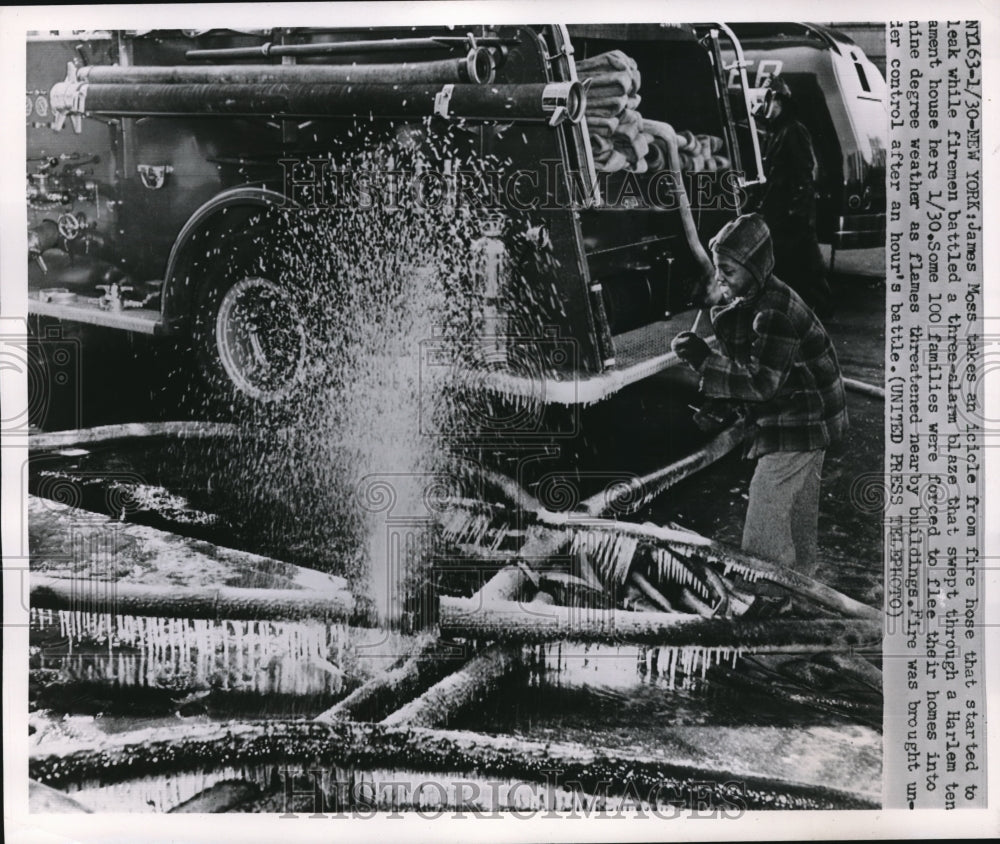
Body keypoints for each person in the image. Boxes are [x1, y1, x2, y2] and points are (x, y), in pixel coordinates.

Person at [671, 213, 848, 610]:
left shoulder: (773, 314)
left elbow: (760, 383)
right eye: (718, 270)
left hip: (803, 419)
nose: (720, 279)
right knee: (798, 499)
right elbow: (750, 362)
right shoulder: (757, 299)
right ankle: (798, 582)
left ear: (754, 269)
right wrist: (712, 384)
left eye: (729, 271)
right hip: (810, 412)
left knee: (769, 496)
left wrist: (704, 361)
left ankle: (767, 592)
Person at [754, 75, 833, 316]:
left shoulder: (793, 132)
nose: (764, 106)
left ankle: (820, 313)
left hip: (793, 217)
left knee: (807, 269)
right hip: (782, 215)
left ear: (779, 100)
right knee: (793, 269)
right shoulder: (779, 132)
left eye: (768, 98)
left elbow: (803, 177)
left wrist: (796, 215)